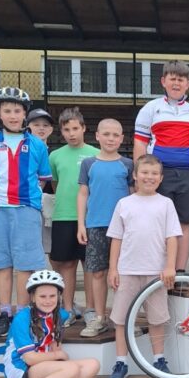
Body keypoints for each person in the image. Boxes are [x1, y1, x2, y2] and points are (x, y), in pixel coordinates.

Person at [0, 86, 52, 338]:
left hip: (27, 210)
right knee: (3, 264)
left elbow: (43, 178)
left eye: (17, 111)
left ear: (25, 114)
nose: (12, 115)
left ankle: (22, 313)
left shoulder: (37, 145)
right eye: (7, 110)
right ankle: (5, 312)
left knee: (26, 265)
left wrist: (29, 198)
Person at [106, 154, 181, 378]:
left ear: (161, 178)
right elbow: (116, 238)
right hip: (127, 270)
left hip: (156, 272)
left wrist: (170, 266)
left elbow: (172, 237)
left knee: (156, 319)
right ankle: (121, 362)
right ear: (135, 175)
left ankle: (159, 360)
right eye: (145, 173)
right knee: (121, 319)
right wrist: (113, 269)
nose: (149, 177)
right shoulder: (124, 203)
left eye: (154, 173)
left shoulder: (166, 204)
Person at [0, 269, 99, 378]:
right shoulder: (22, 318)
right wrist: (57, 355)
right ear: (33, 297)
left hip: (42, 365)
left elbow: (54, 343)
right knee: (71, 368)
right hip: (21, 368)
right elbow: (30, 358)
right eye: (42, 296)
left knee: (92, 364)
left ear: (59, 296)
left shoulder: (59, 315)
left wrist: (56, 352)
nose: (48, 301)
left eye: (52, 296)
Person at [133, 59, 189, 276]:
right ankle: (157, 271)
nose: (176, 83)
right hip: (159, 175)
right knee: (157, 224)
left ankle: (179, 273)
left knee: (184, 224)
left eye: (181, 80)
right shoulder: (151, 109)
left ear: (187, 84)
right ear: (163, 81)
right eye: (172, 79)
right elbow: (140, 144)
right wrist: (139, 177)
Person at [76, 118, 134, 337]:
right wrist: (81, 224)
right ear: (97, 136)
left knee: (123, 275)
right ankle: (100, 317)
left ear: (122, 139)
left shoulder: (127, 164)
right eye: (106, 134)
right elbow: (83, 194)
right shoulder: (88, 164)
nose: (111, 139)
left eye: (115, 135)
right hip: (96, 225)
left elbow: (133, 195)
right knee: (98, 273)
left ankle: (123, 318)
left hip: (123, 229)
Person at [49, 107, 98, 327]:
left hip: (90, 218)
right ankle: (67, 309)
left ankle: (91, 309)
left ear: (84, 128)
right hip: (63, 216)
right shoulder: (55, 156)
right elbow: (55, 184)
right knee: (67, 264)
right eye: (67, 130)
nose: (71, 133)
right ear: (61, 131)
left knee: (90, 265)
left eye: (75, 128)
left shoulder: (96, 154)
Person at [26, 107, 55, 257]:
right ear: (28, 127)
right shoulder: (21, 151)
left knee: (50, 249)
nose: (41, 128)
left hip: (49, 206)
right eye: (36, 125)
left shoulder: (55, 154)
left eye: (45, 125)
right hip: (27, 204)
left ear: (51, 129)